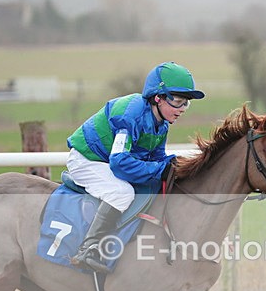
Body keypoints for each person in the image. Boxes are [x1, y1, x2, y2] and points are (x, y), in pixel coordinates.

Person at [65, 62, 205, 272]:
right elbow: (120, 163)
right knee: (122, 192)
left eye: (186, 103)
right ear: (158, 97)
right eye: (177, 101)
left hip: (109, 160)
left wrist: (176, 166)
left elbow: (157, 159)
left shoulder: (161, 124)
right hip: (88, 159)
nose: (182, 109)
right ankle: (88, 248)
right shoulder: (129, 115)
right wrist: (161, 169)